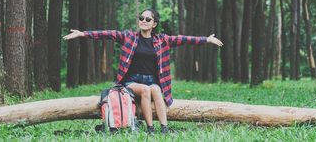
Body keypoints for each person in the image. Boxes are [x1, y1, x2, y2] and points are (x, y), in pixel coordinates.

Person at [63, 9, 223, 134]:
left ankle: (164, 128)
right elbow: (108, 34)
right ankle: (150, 128)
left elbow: (184, 39)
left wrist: (206, 40)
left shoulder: (162, 40)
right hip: (132, 80)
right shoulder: (129, 37)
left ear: (154, 24)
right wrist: (83, 34)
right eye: (141, 18)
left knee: (156, 90)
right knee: (146, 90)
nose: (143, 21)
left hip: (151, 79)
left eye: (148, 19)